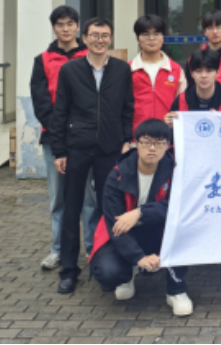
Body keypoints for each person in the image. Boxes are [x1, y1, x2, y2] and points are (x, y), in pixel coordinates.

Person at [50, 17, 135, 294]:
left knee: (109, 207)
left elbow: (128, 107)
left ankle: (109, 260)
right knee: (71, 208)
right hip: (77, 148)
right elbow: (60, 111)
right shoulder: (70, 70)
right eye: (95, 35)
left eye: (105, 35)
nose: (100, 40)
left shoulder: (121, 69)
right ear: (84, 38)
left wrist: (126, 140)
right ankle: (68, 270)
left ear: (111, 38)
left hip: (110, 148)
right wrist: (59, 150)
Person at [89, 118, 192, 316]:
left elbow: (179, 207)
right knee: (108, 273)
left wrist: (140, 212)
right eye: (146, 142)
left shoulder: (176, 171)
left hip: (159, 229)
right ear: (136, 144)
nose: (152, 148)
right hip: (124, 233)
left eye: (159, 143)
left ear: (167, 146)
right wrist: (139, 257)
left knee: (183, 231)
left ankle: (176, 290)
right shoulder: (117, 175)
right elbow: (114, 222)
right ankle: (128, 273)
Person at [29, 5, 97, 271]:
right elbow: (41, 103)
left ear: (78, 27)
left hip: (86, 138)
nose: (66, 29)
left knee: (89, 198)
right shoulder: (42, 60)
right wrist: (59, 132)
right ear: (53, 28)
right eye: (60, 24)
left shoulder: (90, 55)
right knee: (58, 198)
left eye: (70, 24)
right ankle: (58, 249)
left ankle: (92, 247)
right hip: (55, 139)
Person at [131, 15, 186, 137]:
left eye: (156, 34)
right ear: (138, 39)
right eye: (145, 34)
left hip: (167, 139)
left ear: (163, 37)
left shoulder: (176, 70)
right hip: (136, 140)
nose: (151, 38)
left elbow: (183, 105)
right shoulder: (128, 70)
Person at [167, 48, 221, 115]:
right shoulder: (180, 101)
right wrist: (169, 124)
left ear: (217, 73)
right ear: (191, 73)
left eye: (209, 71)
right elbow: (173, 126)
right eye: (198, 71)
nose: (203, 75)